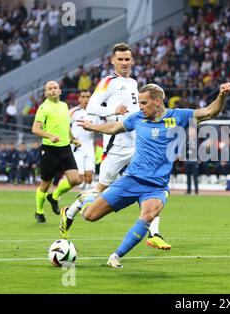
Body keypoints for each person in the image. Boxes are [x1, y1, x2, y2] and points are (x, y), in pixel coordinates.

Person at [75, 82, 230, 268]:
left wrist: (222, 95)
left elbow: (208, 112)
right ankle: (85, 200)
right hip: (131, 180)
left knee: (148, 216)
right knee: (89, 215)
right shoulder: (137, 118)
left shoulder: (178, 116)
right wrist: (92, 127)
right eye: (139, 103)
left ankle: (115, 256)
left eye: (143, 103)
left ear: (157, 102)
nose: (139, 106)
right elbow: (115, 127)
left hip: (156, 186)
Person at [60, 43, 170, 250]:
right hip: (117, 144)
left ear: (133, 60)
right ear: (112, 60)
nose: (124, 63)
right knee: (101, 190)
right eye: (120, 59)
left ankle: (155, 233)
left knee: (152, 184)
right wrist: (113, 110)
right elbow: (92, 107)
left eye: (128, 59)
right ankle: (71, 211)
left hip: (138, 142)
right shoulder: (107, 82)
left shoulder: (134, 83)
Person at [31, 81, 82, 223]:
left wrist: (73, 139)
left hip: (65, 148)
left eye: (55, 88)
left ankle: (53, 197)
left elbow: (65, 127)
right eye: (50, 89)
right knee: (45, 184)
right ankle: (39, 212)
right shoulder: (43, 108)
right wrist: (50, 136)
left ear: (60, 91)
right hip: (50, 150)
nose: (53, 90)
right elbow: (35, 129)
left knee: (75, 180)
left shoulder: (64, 106)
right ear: (46, 93)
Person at [69, 90, 96, 190]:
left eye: (88, 97)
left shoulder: (95, 112)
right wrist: (72, 139)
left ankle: (85, 202)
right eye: (83, 97)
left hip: (89, 147)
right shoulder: (73, 112)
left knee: (89, 177)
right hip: (77, 148)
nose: (86, 99)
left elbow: (99, 127)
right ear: (79, 99)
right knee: (79, 179)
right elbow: (64, 126)